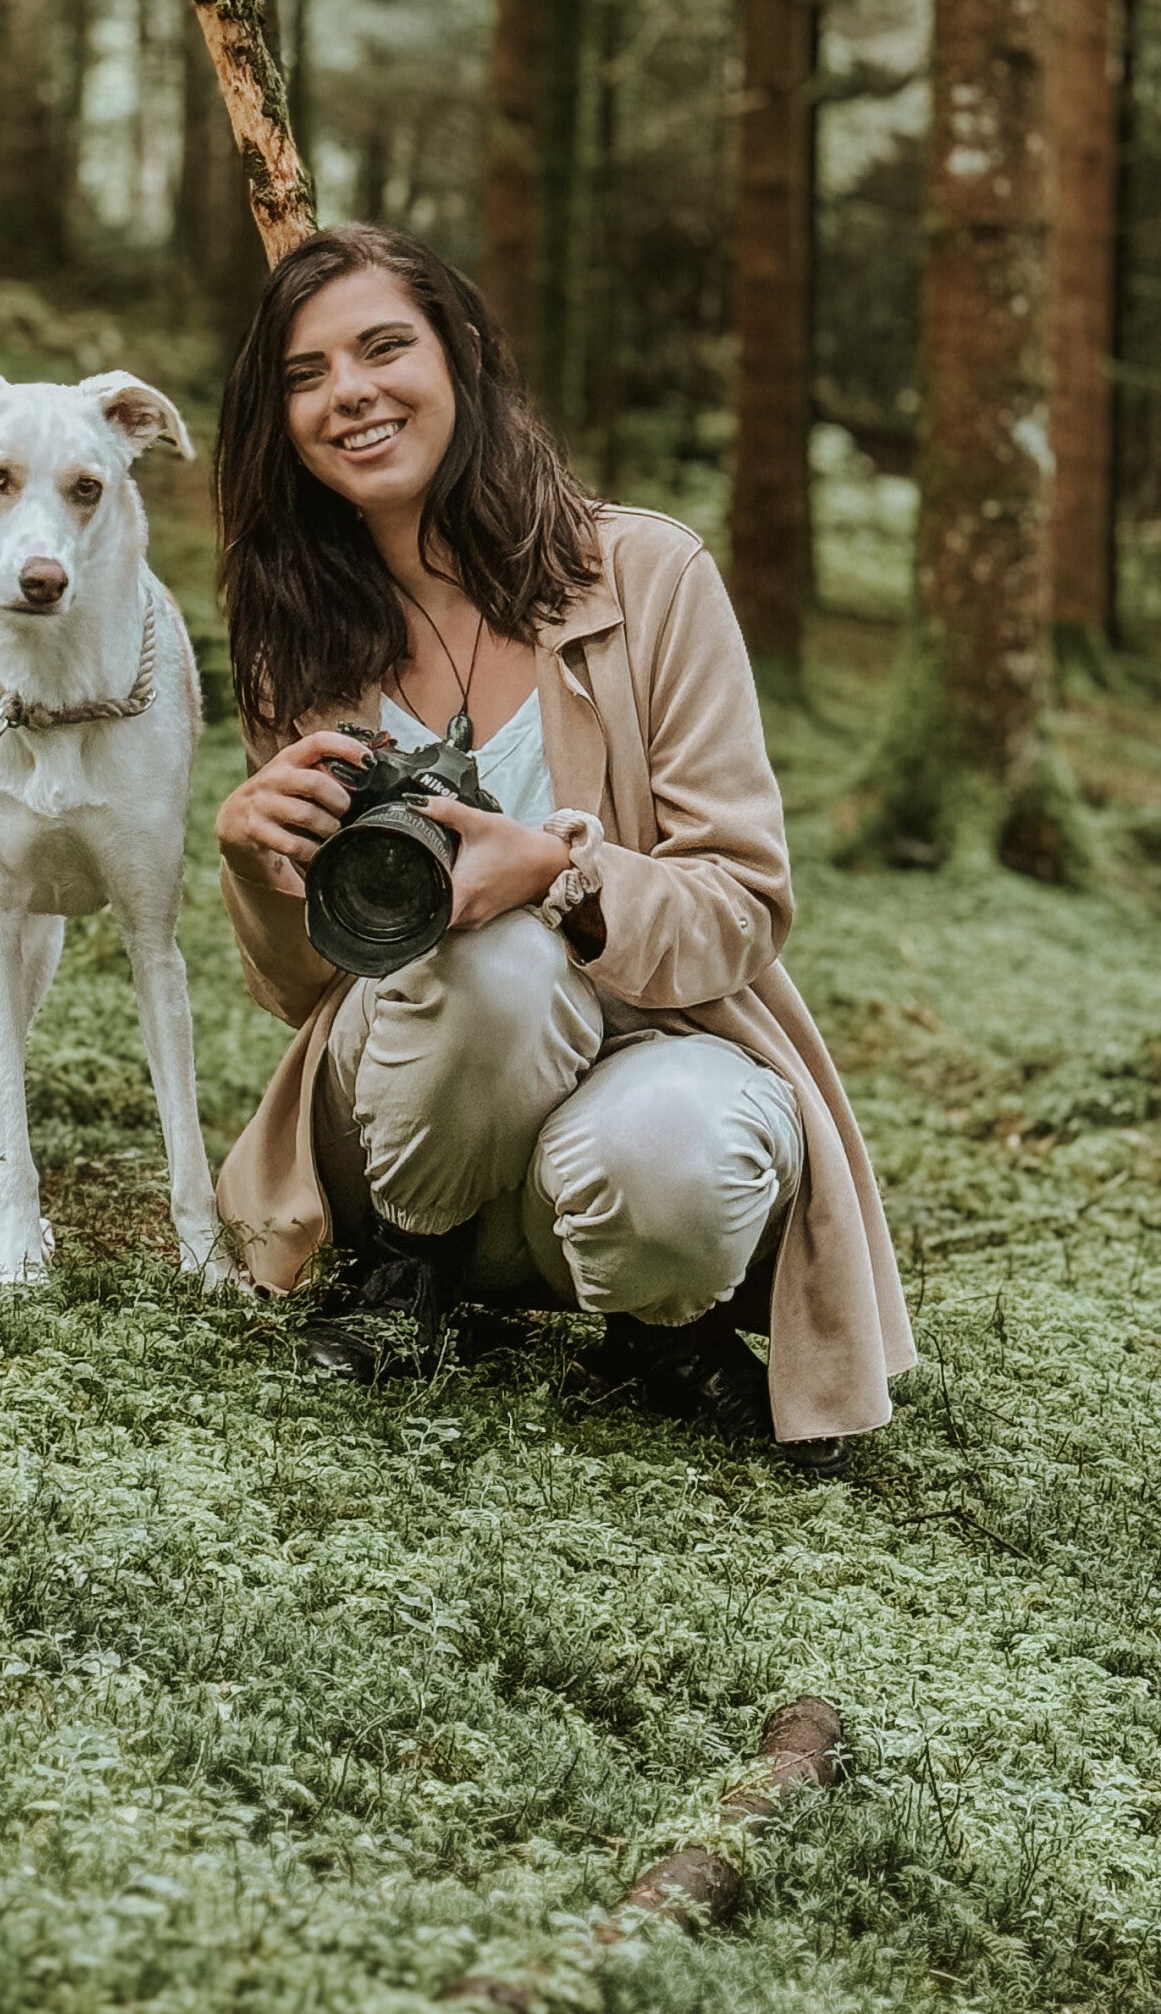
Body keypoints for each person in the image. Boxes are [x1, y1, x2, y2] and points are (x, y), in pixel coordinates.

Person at [210, 223, 914, 1471]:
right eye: (307, 373)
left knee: (674, 1152)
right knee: (491, 967)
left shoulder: (645, 574)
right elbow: (306, 989)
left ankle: (652, 1323)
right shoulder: (296, 629)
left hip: (636, 1089)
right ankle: (404, 1277)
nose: (350, 393)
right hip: (411, 1132)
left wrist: (563, 873)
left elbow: (743, 900)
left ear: (466, 356)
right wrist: (244, 853)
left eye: (384, 348)